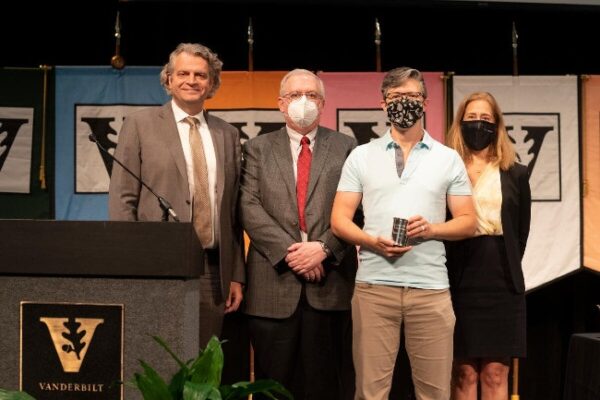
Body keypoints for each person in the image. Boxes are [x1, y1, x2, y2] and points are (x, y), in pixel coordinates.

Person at [330, 67, 478, 400]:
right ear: (383, 105)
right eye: (396, 97)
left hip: (431, 291)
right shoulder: (361, 156)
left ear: (425, 101)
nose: (404, 103)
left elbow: (468, 221)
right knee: (370, 392)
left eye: (411, 96)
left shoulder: (447, 158)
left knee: (435, 392)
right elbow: (339, 219)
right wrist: (370, 241)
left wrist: (432, 229)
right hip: (374, 290)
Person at [108, 42, 245, 359]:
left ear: (211, 83)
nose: (192, 80)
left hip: (212, 270)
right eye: (183, 73)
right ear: (168, 79)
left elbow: (234, 212)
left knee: (202, 366)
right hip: (155, 263)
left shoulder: (227, 134)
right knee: (156, 360)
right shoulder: (139, 125)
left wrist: (236, 273)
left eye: (201, 74)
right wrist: (129, 262)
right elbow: (122, 199)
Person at [240, 69, 358, 400]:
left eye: (312, 95)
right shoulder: (257, 148)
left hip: (331, 286)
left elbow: (358, 209)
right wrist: (295, 253)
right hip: (271, 288)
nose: (303, 102)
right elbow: (248, 207)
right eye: (294, 95)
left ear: (322, 103)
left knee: (327, 385)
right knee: (271, 388)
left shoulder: (347, 147)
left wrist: (324, 248)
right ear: (280, 104)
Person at [445, 91, 531, 400]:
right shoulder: (445, 168)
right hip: (457, 275)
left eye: (485, 119)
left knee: (496, 372)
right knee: (464, 371)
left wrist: (505, 264)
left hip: (502, 280)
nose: (478, 125)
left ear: (497, 125)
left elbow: (520, 234)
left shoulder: (516, 173)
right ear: (460, 123)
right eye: (471, 119)